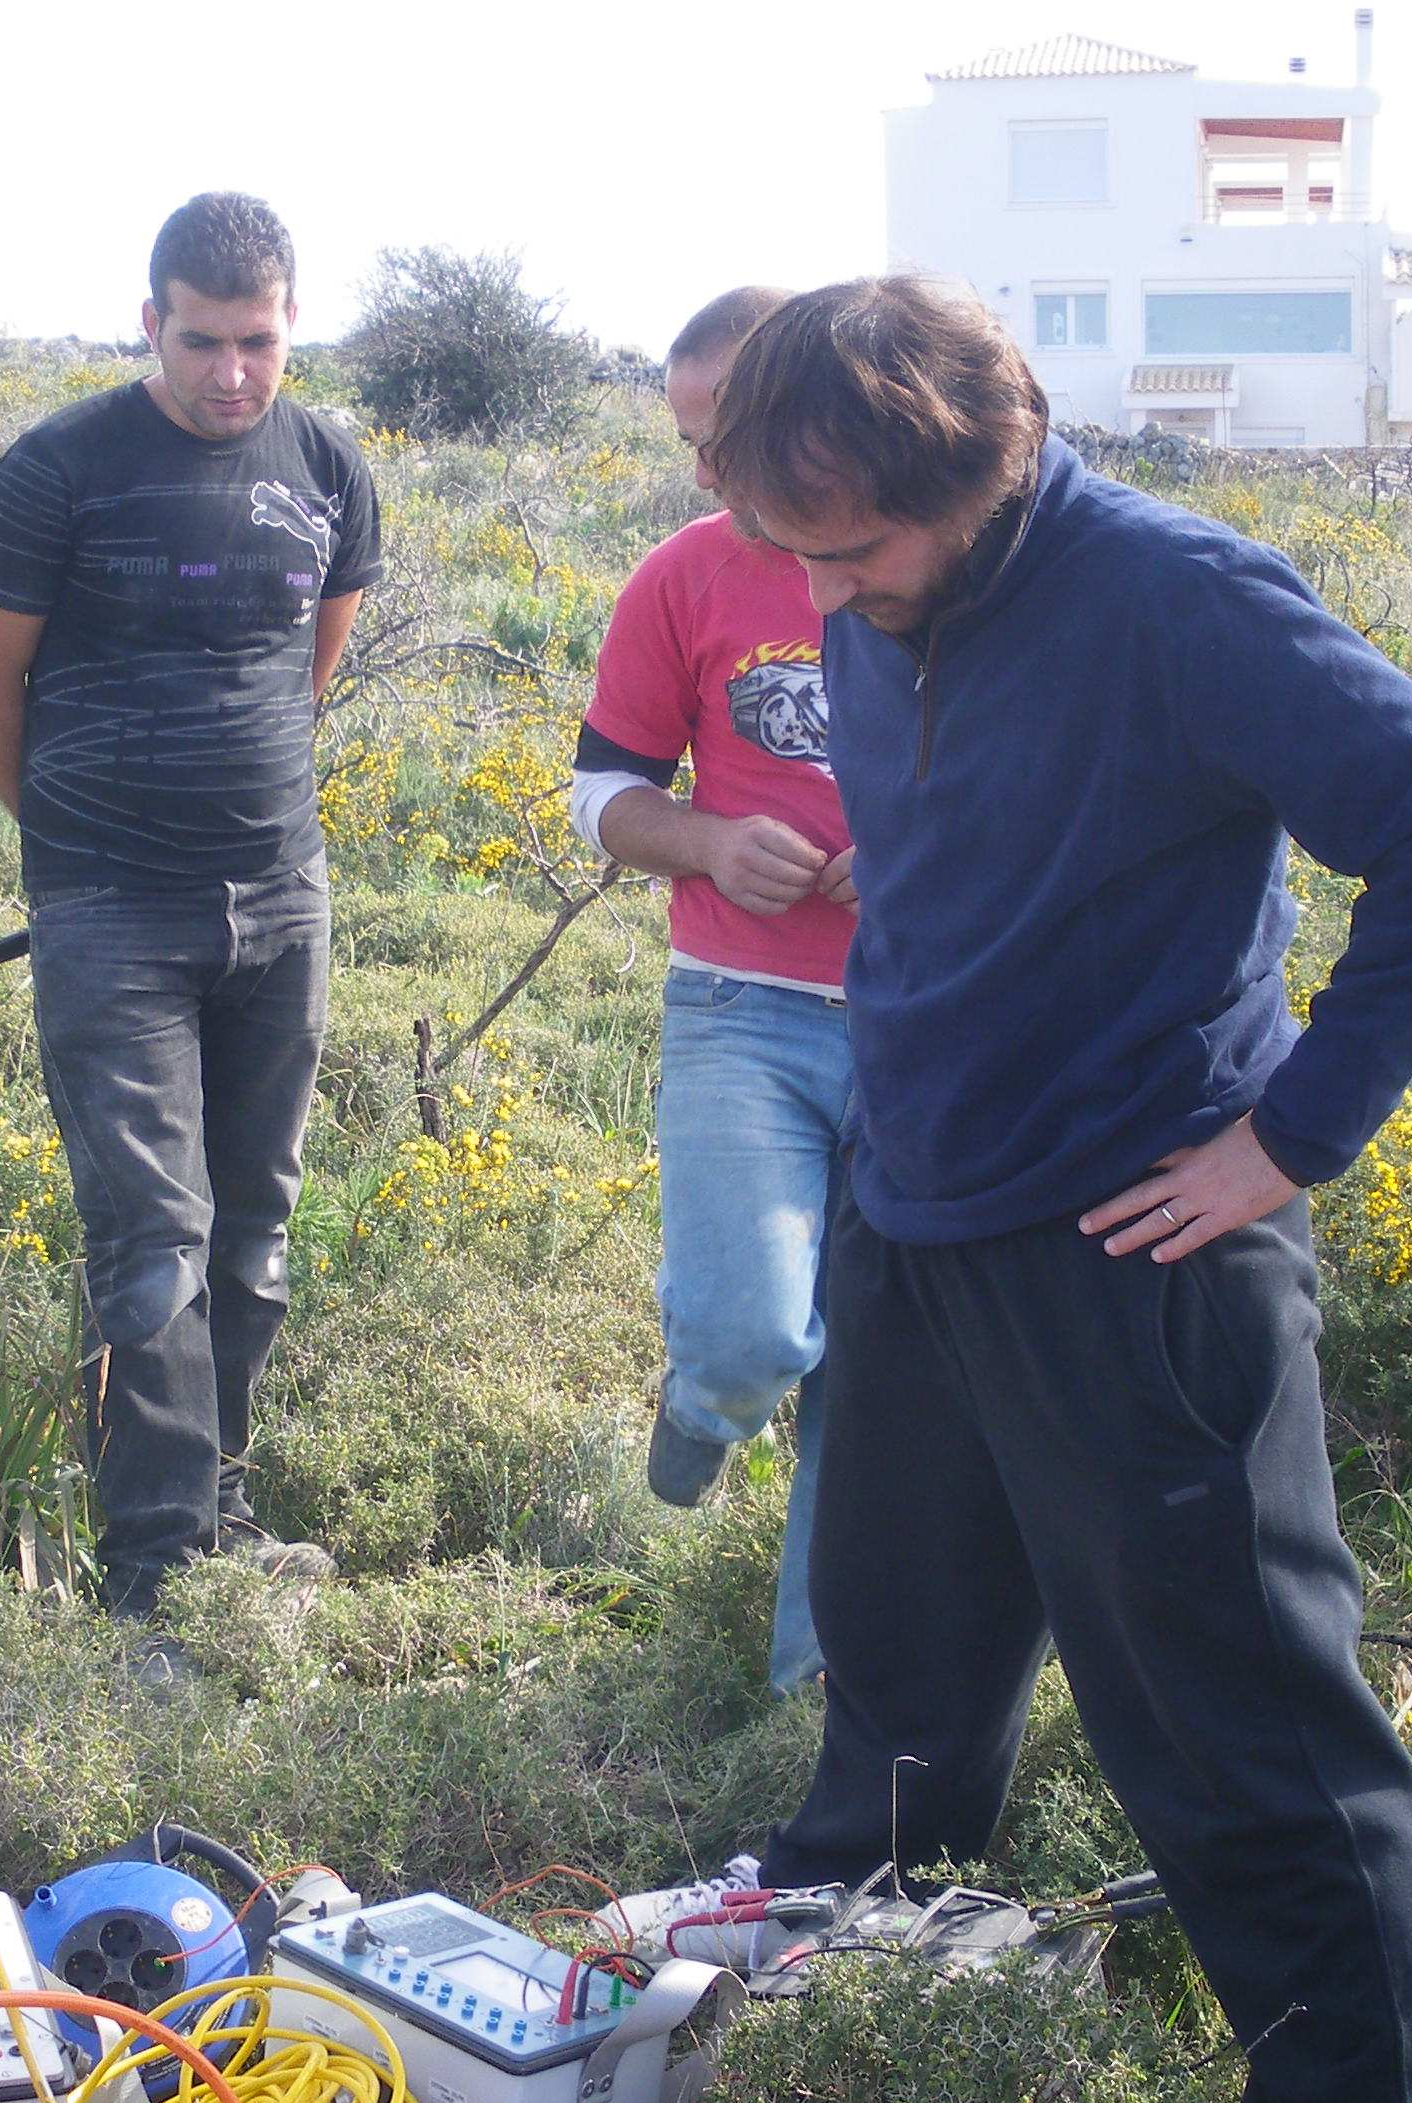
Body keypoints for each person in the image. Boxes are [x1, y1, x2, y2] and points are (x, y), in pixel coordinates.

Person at [705, 276, 1412, 2103]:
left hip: (1139, 1249)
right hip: (924, 1207)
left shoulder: (1181, 599)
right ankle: (838, 1929)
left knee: (1240, 1740)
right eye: (793, 546)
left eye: (854, 545)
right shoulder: (877, 592)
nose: (822, 589)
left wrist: (1286, 1139)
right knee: (899, 1649)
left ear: (979, 470)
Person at [0, 192, 382, 1623]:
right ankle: (150, 1574)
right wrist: (80, 848)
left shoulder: (328, 465)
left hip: (280, 896)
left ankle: (221, 1503)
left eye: (257, 342)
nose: (231, 374)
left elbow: (303, 663)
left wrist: (242, 829)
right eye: (201, 342)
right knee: (152, 1235)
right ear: (150, 322)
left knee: (254, 1226)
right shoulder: (52, 472)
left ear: (290, 325)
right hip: (108, 911)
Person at [571, 284, 852, 1691]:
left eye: (724, 435)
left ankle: (817, 1708)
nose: (702, 474)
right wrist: (707, 841)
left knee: (878, 1398)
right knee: (753, 1332)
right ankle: (707, 1395)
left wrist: (925, 861)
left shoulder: (934, 562)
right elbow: (600, 793)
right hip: (745, 1011)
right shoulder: (683, 576)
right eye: (689, 440)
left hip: (936, 1026)